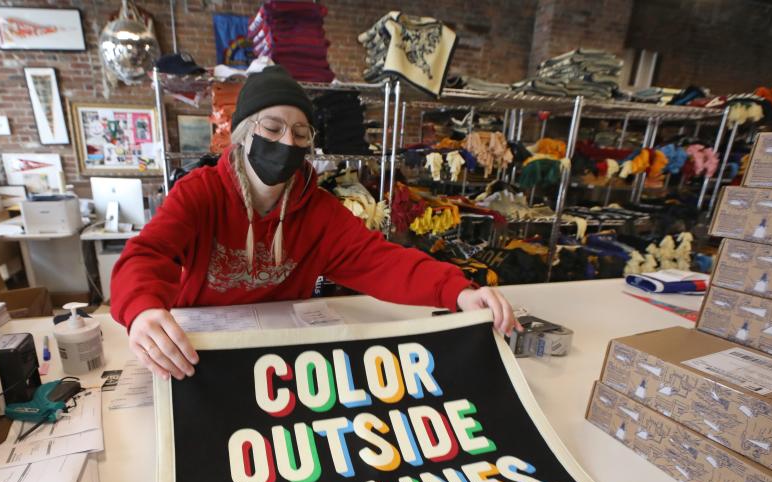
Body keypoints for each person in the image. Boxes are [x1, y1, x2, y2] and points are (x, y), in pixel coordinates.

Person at [111, 65, 519, 381]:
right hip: (200, 353)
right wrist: (142, 310)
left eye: (301, 133)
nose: (287, 142)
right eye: (272, 127)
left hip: (285, 356)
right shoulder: (200, 193)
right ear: (241, 135)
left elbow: (381, 261)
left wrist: (459, 292)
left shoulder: (319, 211)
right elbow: (146, 255)